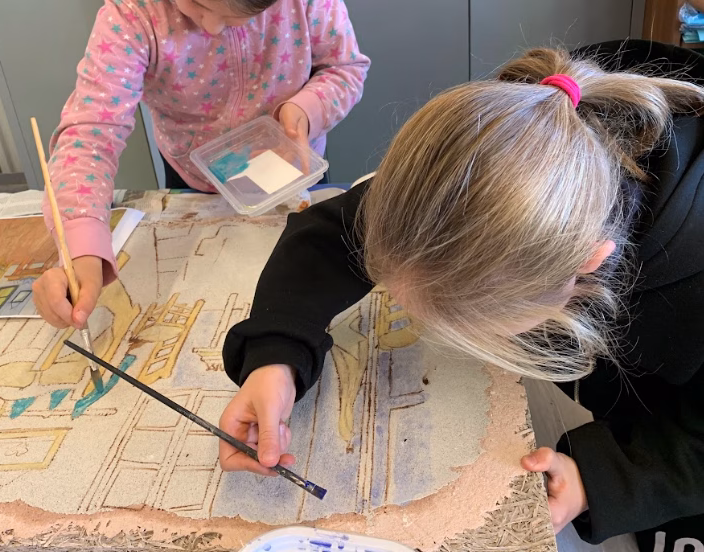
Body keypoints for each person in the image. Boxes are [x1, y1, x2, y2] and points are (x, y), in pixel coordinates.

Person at [218, 40, 703, 551]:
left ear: (588, 260)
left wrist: (601, 477)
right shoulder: (501, 152)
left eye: (481, 326)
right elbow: (333, 235)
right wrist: (275, 354)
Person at [33, 0, 370, 329]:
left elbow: (345, 69)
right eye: (197, 5)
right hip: (195, 178)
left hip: (292, 167)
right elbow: (91, 134)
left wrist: (307, 110)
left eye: (238, 16)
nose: (211, 27)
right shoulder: (131, 13)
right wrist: (82, 246)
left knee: (305, 270)